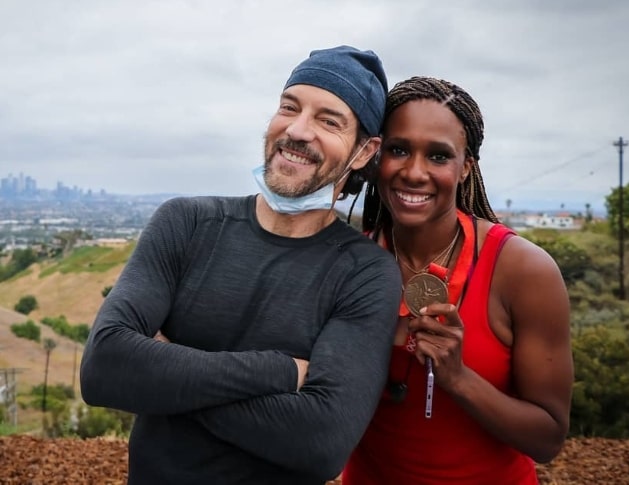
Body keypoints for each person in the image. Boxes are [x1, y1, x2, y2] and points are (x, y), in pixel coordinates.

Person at [80, 45, 403, 485]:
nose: (298, 129)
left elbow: (320, 443)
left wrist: (165, 373)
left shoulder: (365, 273)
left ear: (365, 151)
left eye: (329, 121)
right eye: (289, 107)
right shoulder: (188, 223)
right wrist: (282, 371)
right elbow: (104, 369)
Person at [342, 76, 574, 484]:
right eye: (398, 149)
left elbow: (548, 437)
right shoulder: (346, 263)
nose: (414, 172)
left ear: (466, 166)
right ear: (377, 156)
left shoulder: (523, 271)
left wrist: (459, 379)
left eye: (438, 156)